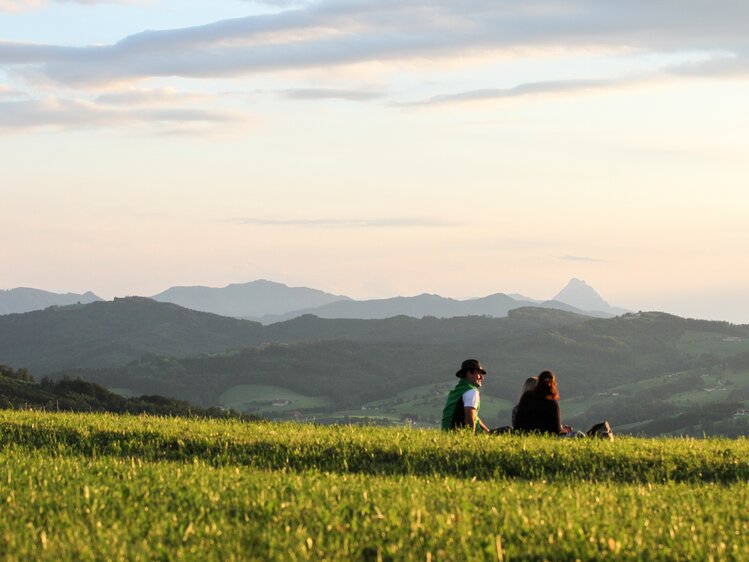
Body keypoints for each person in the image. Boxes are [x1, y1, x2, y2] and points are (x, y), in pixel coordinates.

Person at [513, 370, 573, 436]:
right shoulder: (552, 404)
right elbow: (556, 431)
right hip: (545, 436)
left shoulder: (526, 397)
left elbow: (517, 425)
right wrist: (565, 430)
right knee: (578, 434)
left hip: (523, 435)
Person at [441, 359, 490, 433]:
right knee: (509, 429)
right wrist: (469, 438)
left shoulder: (457, 391)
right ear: (469, 373)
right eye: (479, 374)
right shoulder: (471, 391)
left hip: (447, 433)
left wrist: (487, 430)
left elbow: (474, 416)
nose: (482, 378)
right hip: (460, 435)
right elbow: (470, 418)